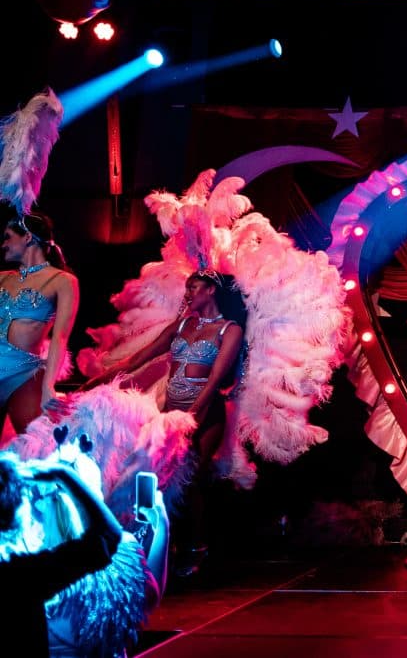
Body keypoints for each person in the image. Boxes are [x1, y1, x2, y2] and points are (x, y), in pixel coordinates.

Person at [82, 270, 244, 575]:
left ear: (211, 290)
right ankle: (161, 544)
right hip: (170, 413)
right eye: (186, 288)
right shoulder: (180, 325)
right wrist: (94, 382)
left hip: (205, 414)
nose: (188, 293)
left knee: (190, 479)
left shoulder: (229, 330)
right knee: (157, 479)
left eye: (194, 287)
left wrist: (190, 416)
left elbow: (215, 380)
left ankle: (196, 546)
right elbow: (137, 359)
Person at [0, 454, 122, 658]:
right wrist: (64, 474)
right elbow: (108, 535)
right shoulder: (19, 575)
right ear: (17, 508)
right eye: (27, 494)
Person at [0, 213, 77, 433]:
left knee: (34, 443)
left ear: (27, 237)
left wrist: (48, 386)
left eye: (8, 237)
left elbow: (60, 337)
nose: (3, 244)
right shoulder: (2, 277)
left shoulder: (62, 281)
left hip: (23, 376)